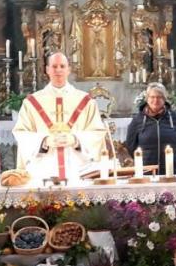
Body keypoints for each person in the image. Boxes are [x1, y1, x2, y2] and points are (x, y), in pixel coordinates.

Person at [12, 52, 107, 182]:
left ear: (69, 70)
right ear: (47, 70)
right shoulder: (31, 102)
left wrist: (75, 139)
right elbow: (21, 133)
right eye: (54, 66)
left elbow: (97, 133)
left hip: (78, 169)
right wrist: (44, 141)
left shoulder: (86, 101)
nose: (58, 70)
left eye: (62, 66)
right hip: (43, 169)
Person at [124, 82, 176, 176]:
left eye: (159, 97)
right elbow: (130, 145)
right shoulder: (138, 119)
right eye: (152, 97)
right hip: (146, 171)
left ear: (164, 99)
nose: (156, 100)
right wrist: (142, 160)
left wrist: (174, 159)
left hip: (171, 171)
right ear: (147, 99)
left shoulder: (175, 118)